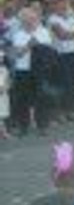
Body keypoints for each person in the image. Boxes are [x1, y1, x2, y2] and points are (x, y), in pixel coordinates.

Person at [10, 7, 55, 137]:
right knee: (22, 99)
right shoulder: (18, 34)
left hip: (39, 71)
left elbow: (49, 51)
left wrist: (39, 46)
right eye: (27, 19)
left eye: (33, 18)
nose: (31, 21)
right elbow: (17, 54)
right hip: (23, 70)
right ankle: (23, 127)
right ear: (22, 21)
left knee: (41, 99)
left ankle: (42, 126)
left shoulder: (44, 32)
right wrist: (29, 45)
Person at [46, 0, 74, 120]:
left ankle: (70, 110)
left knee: (72, 83)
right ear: (55, 5)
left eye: (65, 4)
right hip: (61, 55)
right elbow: (61, 35)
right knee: (64, 83)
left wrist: (70, 34)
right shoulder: (52, 19)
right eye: (60, 4)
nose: (63, 6)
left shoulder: (71, 18)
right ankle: (60, 112)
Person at [0, 52, 9, 139]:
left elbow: (7, 81)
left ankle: (3, 132)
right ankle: (3, 132)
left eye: (2, 58)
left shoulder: (4, 69)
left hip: (3, 95)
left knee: (1, 115)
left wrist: (5, 87)